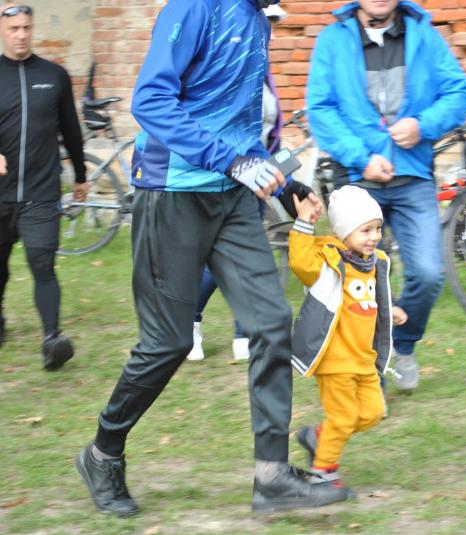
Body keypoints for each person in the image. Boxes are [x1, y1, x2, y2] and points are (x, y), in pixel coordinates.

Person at [74, 0, 347, 517]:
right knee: (169, 342)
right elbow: (150, 99)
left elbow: (243, 128)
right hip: (172, 191)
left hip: (233, 200)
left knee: (270, 323)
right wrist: (231, 161)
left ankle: (271, 477)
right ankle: (102, 453)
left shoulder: (257, 20)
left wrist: (282, 183)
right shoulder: (195, 8)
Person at [305, 0, 466, 392]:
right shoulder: (332, 40)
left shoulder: (424, 36)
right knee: (361, 281)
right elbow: (321, 110)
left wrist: (422, 125)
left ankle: (404, 341)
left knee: (429, 274)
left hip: (413, 177)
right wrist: (361, 158)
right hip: (359, 180)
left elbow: (460, 93)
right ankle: (370, 370)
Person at [187, 2, 288, 362]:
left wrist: (285, 178)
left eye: (271, 23)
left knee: (245, 260)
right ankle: (191, 321)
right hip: (220, 175)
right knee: (222, 262)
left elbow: (265, 133)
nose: (264, 30)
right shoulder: (230, 63)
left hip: (256, 176)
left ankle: (242, 332)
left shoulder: (262, 69)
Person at [288, 185, 407, 492]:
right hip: (336, 360)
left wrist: (389, 309)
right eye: (365, 230)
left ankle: (318, 436)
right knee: (343, 417)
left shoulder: (373, 262)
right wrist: (303, 225)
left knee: (372, 413)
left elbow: (369, 299)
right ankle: (323, 472)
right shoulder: (328, 261)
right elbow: (300, 262)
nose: (374, 236)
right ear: (344, 231)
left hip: (364, 360)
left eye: (377, 228)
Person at [0, 3, 87, 368]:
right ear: (2, 31)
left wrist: (81, 176)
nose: (21, 35)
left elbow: (71, 129)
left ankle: (53, 340)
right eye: (14, 29)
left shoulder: (54, 75)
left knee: (42, 263)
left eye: (26, 28)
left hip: (41, 191)